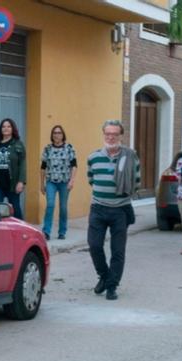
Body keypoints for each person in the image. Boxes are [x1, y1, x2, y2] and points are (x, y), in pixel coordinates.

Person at [87, 119, 140, 300]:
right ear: (104, 134)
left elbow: (136, 182)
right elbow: (91, 179)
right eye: (108, 134)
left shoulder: (131, 157)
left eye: (115, 134)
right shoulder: (93, 157)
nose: (111, 137)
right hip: (98, 208)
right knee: (94, 246)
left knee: (118, 251)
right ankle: (104, 276)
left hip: (120, 210)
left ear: (120, 136)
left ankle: (111, 286)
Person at [40, 125, 77, 240]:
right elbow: (43, 167)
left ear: (63, 135)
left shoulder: (69, 148)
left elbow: (74, 165)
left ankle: (62, 231)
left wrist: (72, 180)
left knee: (63, 207)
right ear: (52, 135)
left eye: (59, 133)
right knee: (50, 205)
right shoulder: (47, 149)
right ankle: (46, 231)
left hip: (64, 182)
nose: (57, 135)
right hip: (51, 181)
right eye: (55, 133)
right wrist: (42, 184)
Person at [0, 118, 26, 219]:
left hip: (12, 184)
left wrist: (21, 182)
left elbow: (22, 163)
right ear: (0, 129)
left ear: (12, 129)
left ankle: (19, 231)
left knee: (16, 209)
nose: (6, 128)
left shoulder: (18, 144)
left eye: (8, 126)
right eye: (3, 127)